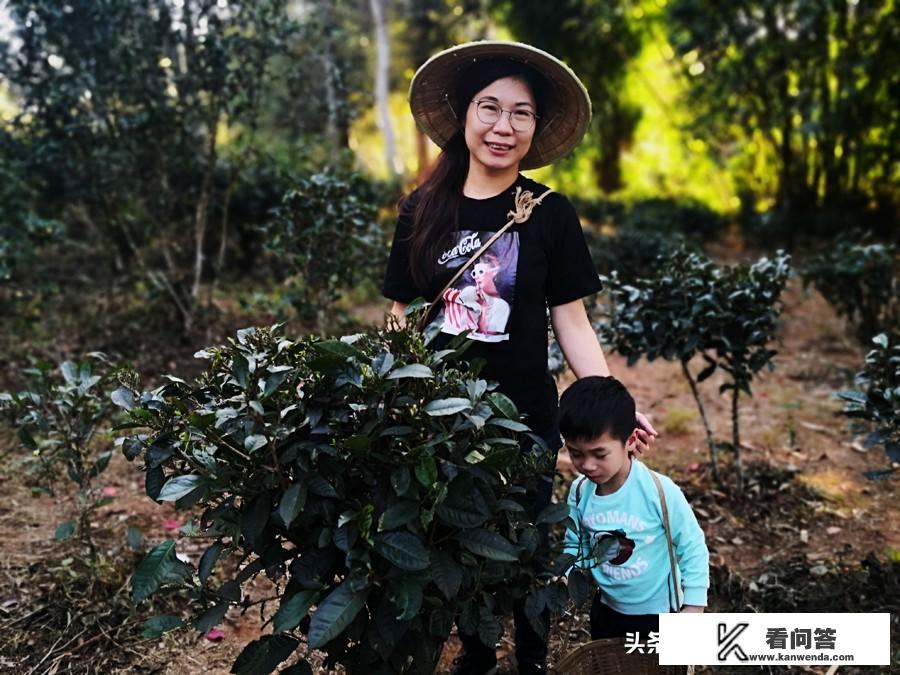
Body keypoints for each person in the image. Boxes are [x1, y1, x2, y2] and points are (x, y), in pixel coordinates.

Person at [381, 41, 658, 675]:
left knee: (529, 547)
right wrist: (391, 393)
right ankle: (475, 655)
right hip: (438, 419)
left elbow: (572, 320)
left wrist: (616, 405)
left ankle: (531, 658)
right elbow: (400, 314)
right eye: (489, 108)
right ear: (463, 115)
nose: (503, 127)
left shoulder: (550, 212)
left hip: (525, 416)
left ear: (535, 127)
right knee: (453, 542)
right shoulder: (422, 210)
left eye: (521, 113)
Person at [560, 376, 709, 644]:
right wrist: (566, 573)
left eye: (599, 454)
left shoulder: (659, 492)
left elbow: (692, 544)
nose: (588, 465)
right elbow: (576, 542)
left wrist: (695, 605)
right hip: (607, 610)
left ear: (629, 441)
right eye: (576, 454)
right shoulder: (580, 491)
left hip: (661, 613)